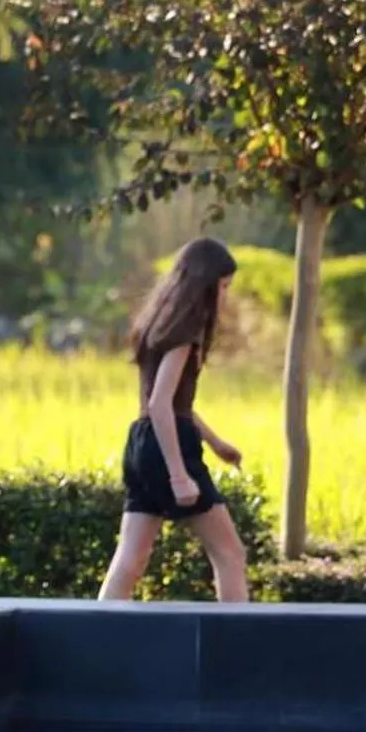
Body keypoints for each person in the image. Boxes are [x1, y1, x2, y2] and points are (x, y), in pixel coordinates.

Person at [99, 237, 250, 603]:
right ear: (205, 283)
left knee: (130, 562)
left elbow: (171, 402)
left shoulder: (158, 324)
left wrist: (215, 443)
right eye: (224, 286)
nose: (225, 296)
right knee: (230, 555)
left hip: (140, 443)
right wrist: (179, 475)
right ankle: (236, 648)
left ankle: (98, 641)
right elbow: (161, 404)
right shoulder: (188, 331)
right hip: (169, 446)